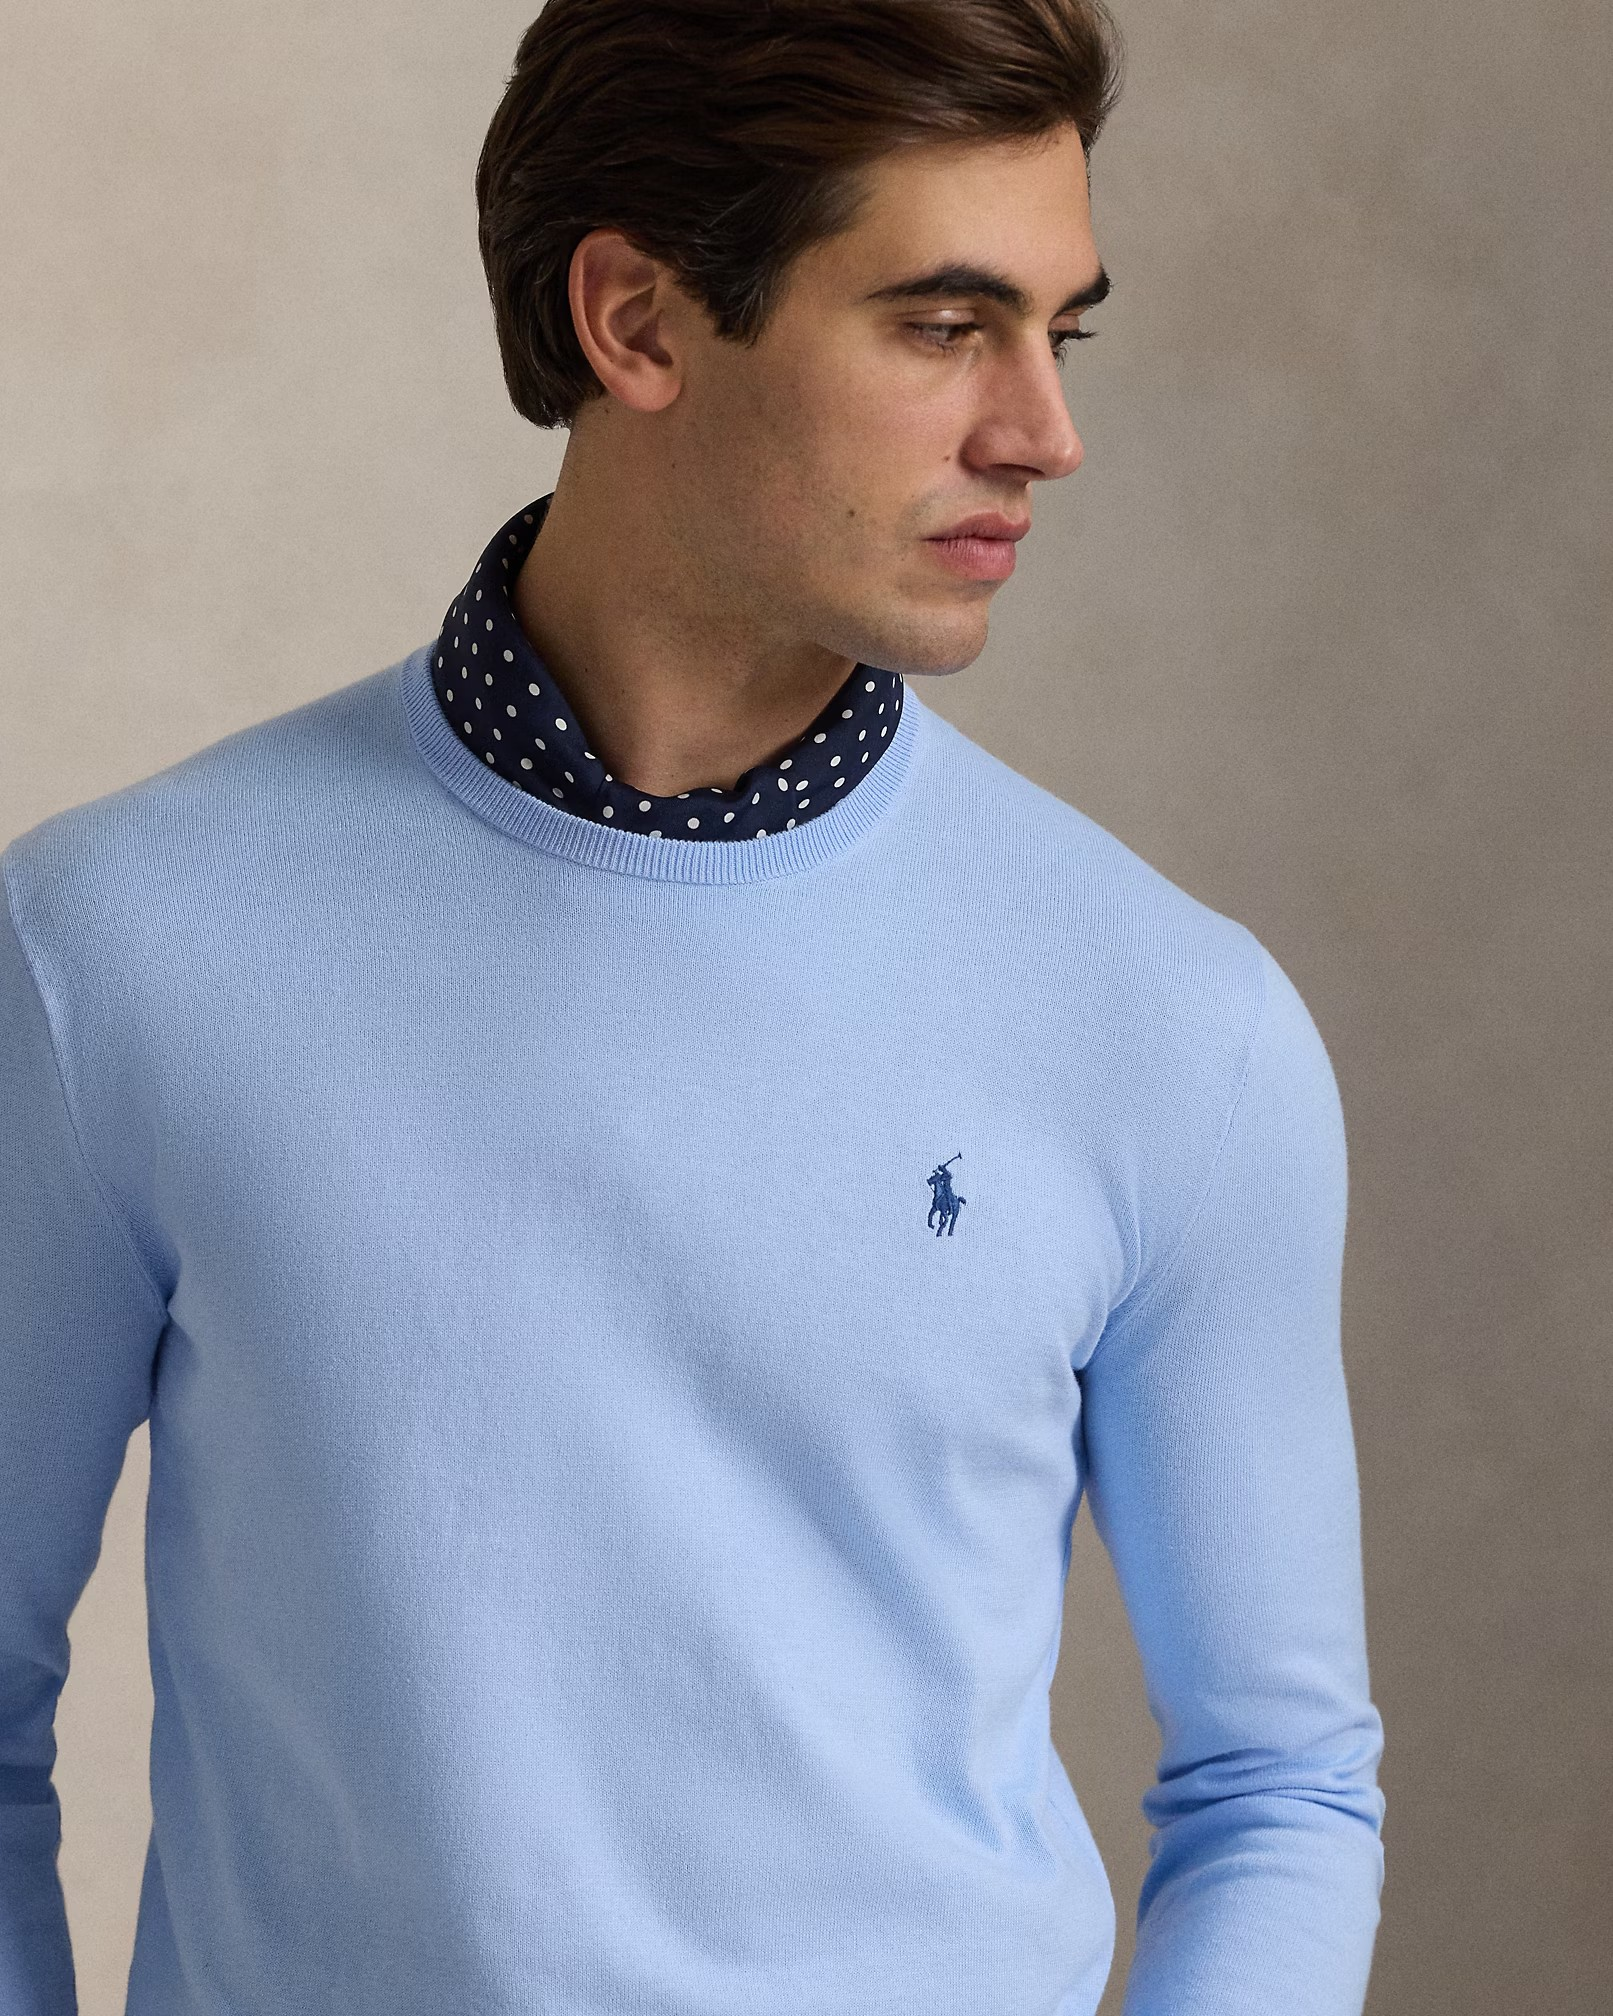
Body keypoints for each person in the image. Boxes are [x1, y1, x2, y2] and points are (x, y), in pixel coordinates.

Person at [0, 2, 1387, 2011]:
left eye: (1056, 333)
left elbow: (1280, 1786)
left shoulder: (1175, 1023)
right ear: (636, 321)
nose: (1040, 431)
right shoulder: (119, 947)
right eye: (942, 324)